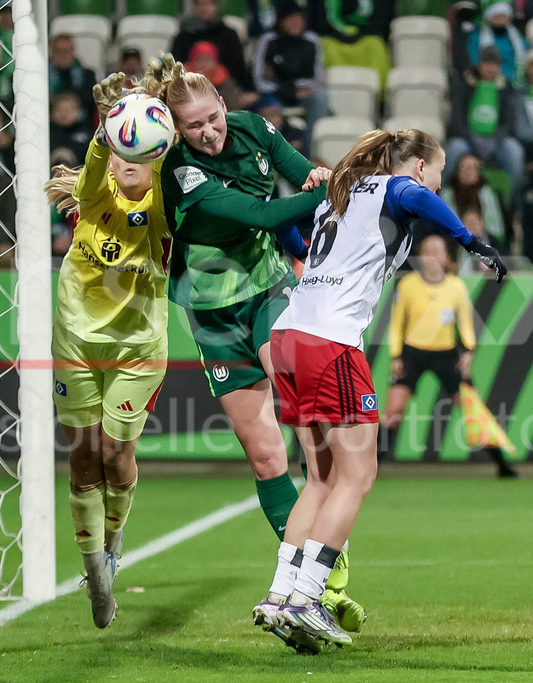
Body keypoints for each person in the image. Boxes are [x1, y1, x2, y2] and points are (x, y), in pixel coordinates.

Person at [254, 128, 507, 650]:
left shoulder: (341, 191)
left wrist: (310, 259)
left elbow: (287, 229)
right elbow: (412, 195)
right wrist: (471, 242)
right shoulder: (393, 187)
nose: (433, 188)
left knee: (320, 479)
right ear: (419, 167)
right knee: (358, 476)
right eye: (435, 177)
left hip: (289, 336)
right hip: (331, 342)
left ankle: (280, 595)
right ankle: (306, 596)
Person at [144, 54, 365, 634]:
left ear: (223, 105)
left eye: (212, 119)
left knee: (306, 430)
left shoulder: (253, 127)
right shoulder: (179, 171)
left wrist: (320, 176)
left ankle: (316, 562)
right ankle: (313, 578)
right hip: (211, 312)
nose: (208, 133)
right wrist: (330, 189)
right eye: (193, 127)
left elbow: (298, 169)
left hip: (270, 291)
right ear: (175, 128)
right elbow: (257, 213)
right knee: (265, 453)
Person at [43, 72, 171, 629]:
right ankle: (95, 570)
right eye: (119, 152)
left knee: (117, 457)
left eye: (137, 155)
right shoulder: (94, 194)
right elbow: (103, 151)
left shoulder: (166, 203)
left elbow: (166, 149)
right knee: (82, 454)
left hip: (138, 346)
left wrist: (154, 104)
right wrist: (112, 119)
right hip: (75, 340)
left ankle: (114, 540)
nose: (126, 162)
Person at [381, 235, 517, 477]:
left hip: (446, 355)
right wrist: (396, 356)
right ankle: (373, 466)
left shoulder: (456, 287)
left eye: (437, 251)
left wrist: (469, 352)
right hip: (412, 354)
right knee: (393, 410)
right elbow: (396, 325)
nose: (431, 256)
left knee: (472, 408)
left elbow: (465, 325)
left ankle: (503, 465)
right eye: (427, 251)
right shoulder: (408, 285)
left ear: (447, 258)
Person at [444, 45, 524, 207]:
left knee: (514, 151)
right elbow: (457, 120)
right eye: (487, 63)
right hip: (468, 139)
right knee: (454, 150)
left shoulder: (506, 88)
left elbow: (508, 122)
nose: (491, 68)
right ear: (479, 65)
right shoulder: (464, 85)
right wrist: (474, 140)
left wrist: (494, 140)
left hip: (496, 140)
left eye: (495, 64)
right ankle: (442, 196)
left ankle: (515, 205)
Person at [252, 1, 330, 158]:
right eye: (291, 19)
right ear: (281, 21)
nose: (296, 22)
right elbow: (259, 80)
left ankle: (311, 151)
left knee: (320, 97)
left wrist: (299, 89)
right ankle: (268, 155)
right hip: (273, 92)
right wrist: (289, 90)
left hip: (303, 93)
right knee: (266, 105)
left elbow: (317, 78)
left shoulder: (312, 40)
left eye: (299, 18)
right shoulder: (268, 40)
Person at [170, 0, 254, 94]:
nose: (203, 9)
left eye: (207, 4)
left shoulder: (229, 35)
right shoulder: (183, 37)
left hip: (223, 88)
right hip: (190, 88)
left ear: (215, 6)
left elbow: (239, 70)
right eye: (198, 4)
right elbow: (175, 65)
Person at [441, 153, 507, 249]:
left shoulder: (486, 193)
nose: (469, 171)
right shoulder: (447, 194)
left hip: (483, 241)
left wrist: (479, 229)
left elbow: (496, 229)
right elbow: (443, 225)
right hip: (453, 243)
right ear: (456, 171)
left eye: (473, 167)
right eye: (463, 167)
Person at [465, 2, 528, 82]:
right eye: (497, 17)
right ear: (489, 18)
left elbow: (525, 57)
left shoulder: (518, 39)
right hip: (487, 78)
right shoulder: (477, 38)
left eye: (504, 17)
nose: (501, 21)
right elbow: (475, 60)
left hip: (514, 80)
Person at [49, 33, 98, 129]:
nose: (63, 55)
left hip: (82, 127)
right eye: (59, 51)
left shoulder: (88, 75)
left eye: (67, 51)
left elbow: (91, 101)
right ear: (52, 52)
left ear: (73, 51)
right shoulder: (41, 76)